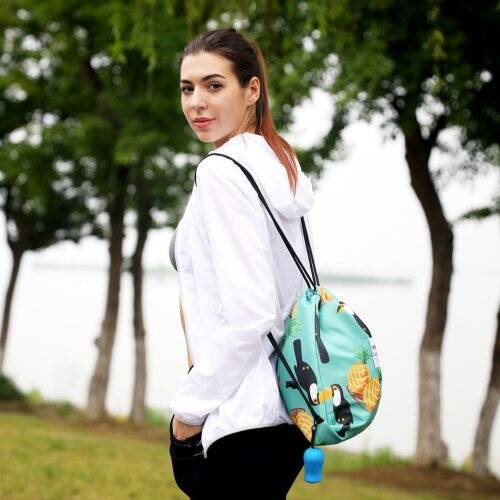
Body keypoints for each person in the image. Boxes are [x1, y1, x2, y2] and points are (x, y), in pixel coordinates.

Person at [168, 28, 316, 499]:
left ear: (252, 90)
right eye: (187, 88)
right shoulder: (277, 163)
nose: (197, 103)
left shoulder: (222, 172)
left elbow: (251, 311)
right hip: (289, 410)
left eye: (214, 86)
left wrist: (188, 413)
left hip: (241, 413)